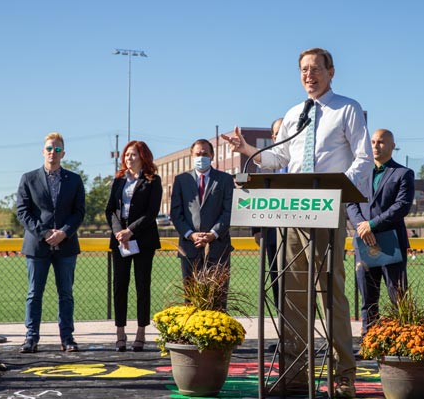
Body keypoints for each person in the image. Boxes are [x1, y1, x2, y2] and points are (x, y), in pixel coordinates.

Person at [222, 47, 373, 398]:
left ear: (331, 72)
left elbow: (364, 156)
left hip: (326, 208)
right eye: (303, 70)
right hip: (292, 212)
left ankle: (343, 375)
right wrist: (248, 149)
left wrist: (340, 189)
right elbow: (281, 157)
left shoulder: (346, 108)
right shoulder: (294, 113)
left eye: (315, 69)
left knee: (329, 294)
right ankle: (293, 371)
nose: (309, 75)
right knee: (292, 296)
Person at [16, 132, 85, 353]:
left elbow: (79, 212)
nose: (52, 153)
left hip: (66, 246)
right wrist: (45, 233)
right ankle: (31, 338)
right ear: (42, 151)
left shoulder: (74, 180)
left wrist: (64, 232)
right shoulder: (29, 178)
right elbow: (23, 212)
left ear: (63, 153)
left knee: (65, 293)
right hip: (37, 245)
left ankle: (67, 338)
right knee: (34, 293)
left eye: (56, 149)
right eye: (48, 148)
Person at [346, 129, 415, 337]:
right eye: (373, 142)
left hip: (391, 242)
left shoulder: (403, 174)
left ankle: (402, 340)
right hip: (364, 242)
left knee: (397, 296)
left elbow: (401, 206)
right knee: (368, 297)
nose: (376, 146)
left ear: (393, 146)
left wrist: (372, 224)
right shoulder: (358, 174)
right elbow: (350, 203)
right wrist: (361, 226)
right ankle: (369, 340)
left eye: (382, 142)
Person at [105, 140, 162, 352]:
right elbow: (110, 210)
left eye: (134, 155)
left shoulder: (153, 181)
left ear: (143, 157)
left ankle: (141, 332)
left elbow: (151, 212)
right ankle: (120, 333)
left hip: (143, 240)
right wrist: (120, 232)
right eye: (127, 155)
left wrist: (131, 231)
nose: (129, 158)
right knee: (120, 286)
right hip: (120, 240)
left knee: (142, 286)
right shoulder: (118, 180)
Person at [170, 139, 234, 308]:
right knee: (191, 298)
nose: (201, 157)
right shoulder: (181, 180)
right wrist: (191, 234)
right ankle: (192, 332)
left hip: (218, 247)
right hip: (189, 248)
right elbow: (176, 213)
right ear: (191, 156)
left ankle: (217, 332)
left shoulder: (225, 180)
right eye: (198, 154)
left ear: (212, 155)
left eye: (205, 154)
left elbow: (229, 211)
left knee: (218, 295)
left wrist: (213, 234)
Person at [251, 117, 284, 311]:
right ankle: (283, 335)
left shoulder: (303, 160)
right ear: (273, 137)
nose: (282, 135)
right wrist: (256, 229)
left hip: (303, 232)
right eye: (279, 132)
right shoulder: (263, 163)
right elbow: (257, 196)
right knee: (277, 283)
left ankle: (302, 336)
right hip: (272, 234)